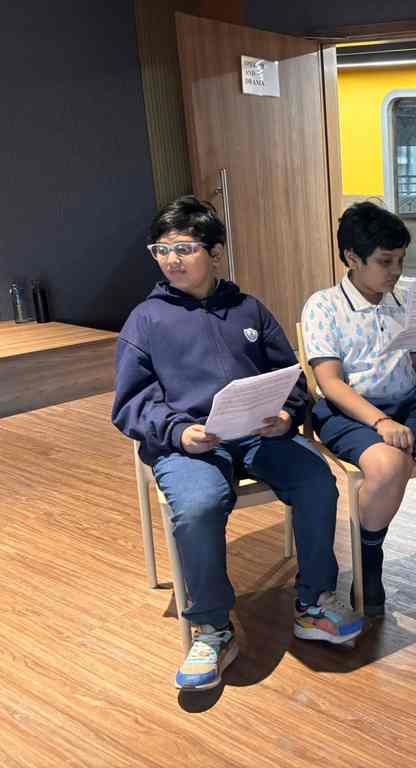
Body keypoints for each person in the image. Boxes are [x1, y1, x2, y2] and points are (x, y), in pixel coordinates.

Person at [113, 196, 362, 693]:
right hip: (188, 442)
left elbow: (291, 376)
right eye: (161, 250)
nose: (171, 260)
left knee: (317, 480)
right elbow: (131, 403)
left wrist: (286, 414)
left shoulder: (249, 309)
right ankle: (212, 628)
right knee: (198, 504)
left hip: (257, 433)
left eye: (184, 248)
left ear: (216, 252)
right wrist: (179, 432)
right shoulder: (145, 320)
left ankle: (314, 602)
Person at [302, 202, 416, 618]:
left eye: (400, 260)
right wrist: (380, 421)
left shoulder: (401, 301)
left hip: (410, 401)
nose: (396, 271)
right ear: (352, 258)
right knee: (388, 467)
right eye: (386, 262)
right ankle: (369, 560)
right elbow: (329, 383)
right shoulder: (324, 306)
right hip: (351, 410)